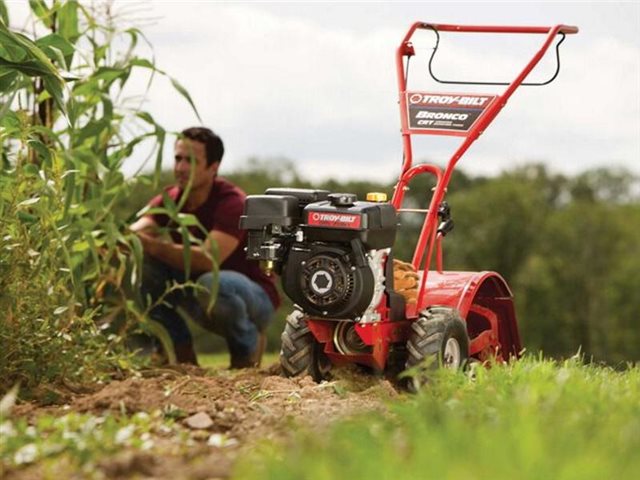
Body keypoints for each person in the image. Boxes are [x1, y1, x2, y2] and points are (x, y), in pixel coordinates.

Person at [130, 127, 280, 367]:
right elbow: (138, 230)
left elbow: (206, 260)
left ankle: (247, 351)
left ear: (213, 167)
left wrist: (151, 245)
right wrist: (121, 239)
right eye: (178, 158)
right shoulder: (171, 199)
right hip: (202, 296)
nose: (180, 167)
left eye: (191, 161)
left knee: (211, 283)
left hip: (252, 297)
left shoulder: (232, 202)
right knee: (144, 270)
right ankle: (181, 356)